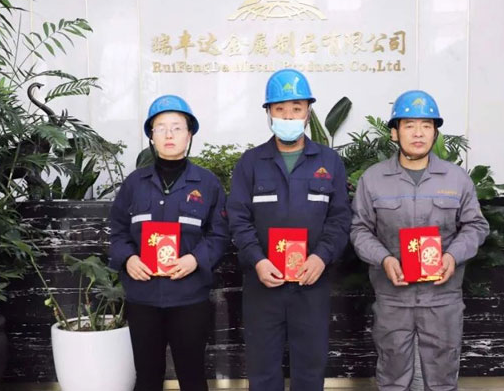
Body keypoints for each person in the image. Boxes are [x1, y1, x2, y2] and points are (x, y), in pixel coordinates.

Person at [350, 90, 489, 391]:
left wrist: (452, 256)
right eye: (409, 125)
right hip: (392, 298)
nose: (418, 133)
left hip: (442, 298)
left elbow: (476, 226)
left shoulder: (456, 178)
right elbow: (359, 230)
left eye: (426, 125)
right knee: (392, 379)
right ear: (394, 132)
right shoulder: (373, 179)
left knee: (442, 380)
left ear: (435, 132)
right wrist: (385, 259)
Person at [227, 69, 352, 391]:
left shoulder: (329, 162)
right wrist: (258, 260)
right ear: (268, 113)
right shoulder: (251, 163)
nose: (288, 116)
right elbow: (238, 219)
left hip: (312, 282)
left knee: (310, 367)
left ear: (308, 113)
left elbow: (339, 219)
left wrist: (321, 257)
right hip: (263, 283)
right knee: (262, 367)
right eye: (280, 109)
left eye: (296, 108)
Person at [108, 95, 230, 391]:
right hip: (143, 297)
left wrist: (195, 259)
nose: (169, 134)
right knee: (147, 376)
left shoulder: (208, 184)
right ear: (151, 136)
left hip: (189, 297)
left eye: (177, 127)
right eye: (160, 128)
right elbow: (117, 231)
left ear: (190, 134)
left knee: (192, 376)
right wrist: (128, 259)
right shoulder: (134, 184)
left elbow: (219, 234)